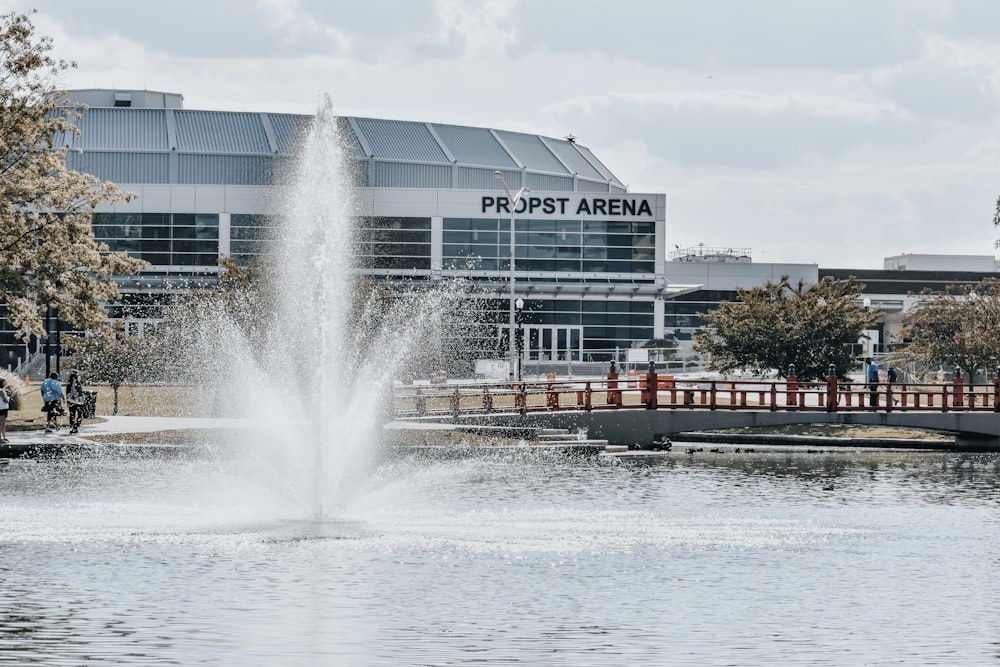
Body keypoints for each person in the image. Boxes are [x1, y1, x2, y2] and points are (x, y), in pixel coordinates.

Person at [0, 378, 10, 443]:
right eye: (4, 382)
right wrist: (8, 399)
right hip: (2, 408)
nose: (5, 383)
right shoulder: (1, 391)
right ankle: (1, 438)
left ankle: (4, 437)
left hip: (3, 408)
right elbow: (5, 400)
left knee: (2, 424)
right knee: (1, 424)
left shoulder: (2, 390)